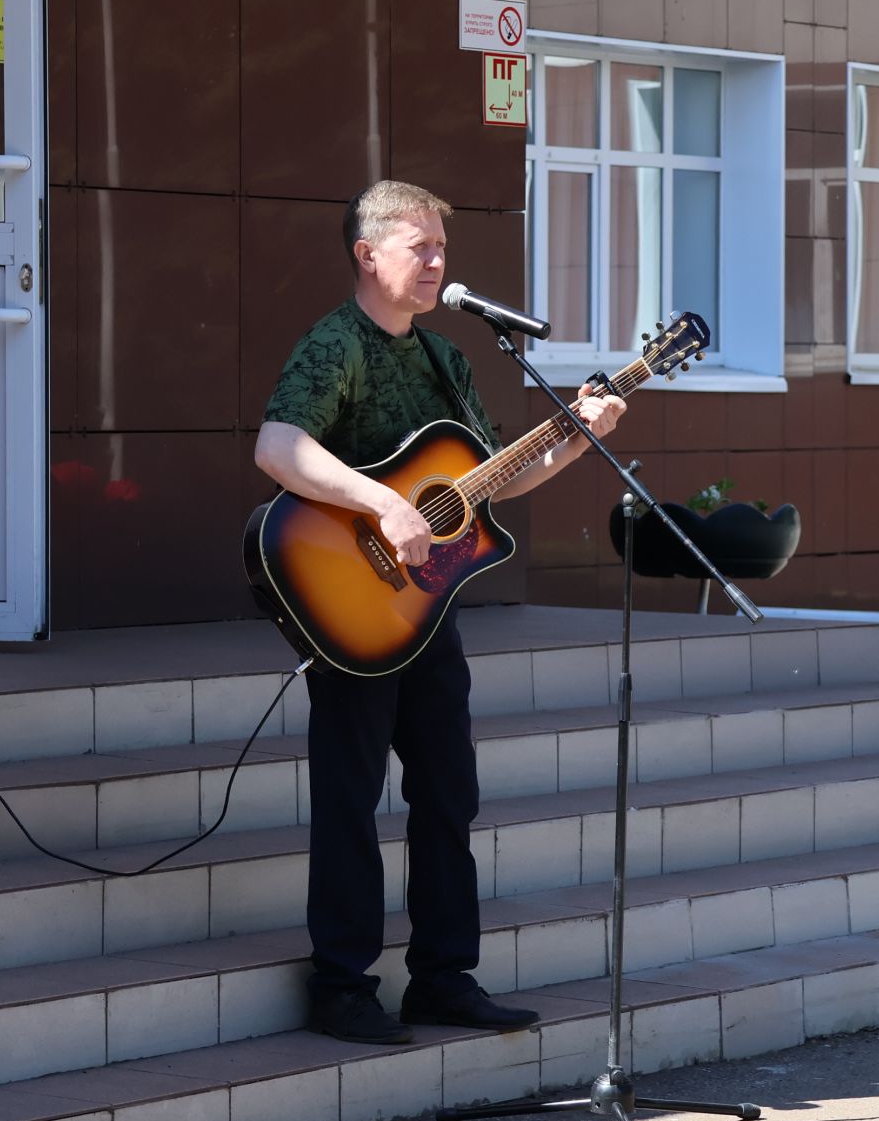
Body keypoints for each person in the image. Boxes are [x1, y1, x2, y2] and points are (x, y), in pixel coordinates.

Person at [255, 180, 626, 1045]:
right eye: (418, 247)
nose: (436, 264)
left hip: (428, 612)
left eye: (442, 250)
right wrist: (381, 505)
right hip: (349, 601)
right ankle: (342, 986)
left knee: (449, 792)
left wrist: (576, 433)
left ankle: (444, 977)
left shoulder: (445, 360)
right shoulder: (333, 345)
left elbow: (496, 478)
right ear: (367, 254)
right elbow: (279, 446)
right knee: (351, 795)